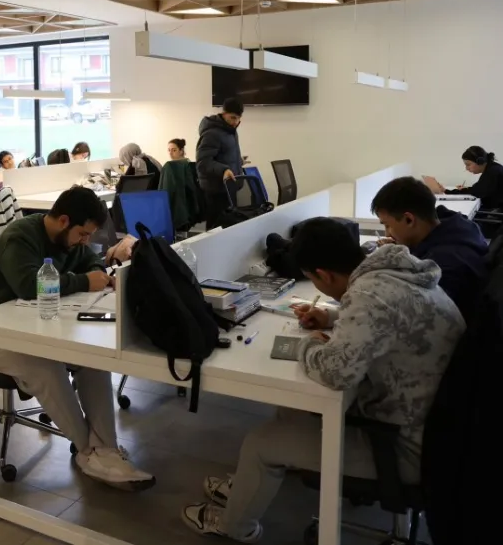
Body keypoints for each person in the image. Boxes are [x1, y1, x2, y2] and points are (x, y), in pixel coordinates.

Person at [182, 217, 464, 541]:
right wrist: (332, 315)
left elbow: (334, 372)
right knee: (291, 408)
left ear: (324, 275)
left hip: (408, 448)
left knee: (259, 443)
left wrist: (311, 345)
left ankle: (234, 527)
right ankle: (248, 487)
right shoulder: (391, 271)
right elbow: (387, 315)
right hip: (435, 427)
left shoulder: (370, 296)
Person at [0, 187, 155, 491]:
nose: (85, 240)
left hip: (29, 328)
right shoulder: (20, 236)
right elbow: (29, 286)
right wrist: (84, 281)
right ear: (64, 220)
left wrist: (97, 273)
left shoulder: (67, 239)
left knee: (92, 357)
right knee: (45, 366)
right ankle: (89, 453)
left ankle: (106, 449)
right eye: (83, 233)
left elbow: (90, 260)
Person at [371, 176, 488, 320]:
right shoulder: (458, 226)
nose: (387, 234)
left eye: (387, 225)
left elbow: (415, 318)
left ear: (409, 219)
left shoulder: (442, 269)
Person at [196, 98, 244, 229]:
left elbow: (223, 155)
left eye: (238, 118)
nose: (236, 122)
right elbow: (203, 162)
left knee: (229, 229)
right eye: (232, 118)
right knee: (216, 231)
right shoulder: (211, 133)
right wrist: (224, 170)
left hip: (228, 187)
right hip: (216, 190)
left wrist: (238, 161)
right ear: (224, 113)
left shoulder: (230, 131)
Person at [424, 145, 503, 212]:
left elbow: (476, 192)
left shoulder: (492, 172)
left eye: (468, 164)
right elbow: (478, 189)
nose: (466, 168)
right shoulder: (493, 168)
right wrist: (449, 191)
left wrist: (447, 191)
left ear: (480, 161)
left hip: (495, 215)